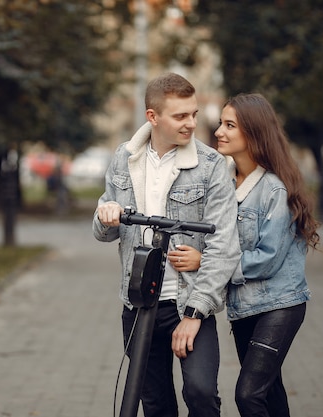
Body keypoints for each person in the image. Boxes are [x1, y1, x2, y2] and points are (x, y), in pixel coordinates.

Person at [93, 72, 241, 417]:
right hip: (139, 303)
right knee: (155, 403)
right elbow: (101, 232)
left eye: (193, 113)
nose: (191, 123)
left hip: (188, 301)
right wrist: (107, 214)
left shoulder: (210, 166)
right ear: (152, 117)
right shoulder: (124, 158)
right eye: (180, 116)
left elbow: (225, 245)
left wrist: (194, 313)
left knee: (202, 395)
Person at [184, 93, 320, 416]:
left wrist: (207, 262)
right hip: (244, 308)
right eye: (221, 124)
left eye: (230, 125)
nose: (219, 132)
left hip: (280, 305)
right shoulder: (224, 184)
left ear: (254, 133)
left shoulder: (274, 189)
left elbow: (268, 258)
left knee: (248, 395)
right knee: (269, 392)